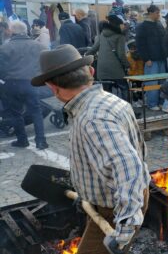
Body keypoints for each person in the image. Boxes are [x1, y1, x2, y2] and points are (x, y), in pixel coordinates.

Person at [31, 44, 150, 253]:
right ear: (91, 72)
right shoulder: (111, 101)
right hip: (107, 204)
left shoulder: (93, 118)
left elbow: (128, 169)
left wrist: (125, 228)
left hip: (115, 210)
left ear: (52, 86)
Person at [0, 21, 48, 149]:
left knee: (16, 113)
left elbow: (1, 68)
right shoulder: (39, 46)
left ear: (12, 31)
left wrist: (5, 79)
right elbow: (45, 64)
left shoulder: (4, 48)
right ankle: (41, 141)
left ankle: (22, 140)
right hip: (32, 83)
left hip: (12, 84)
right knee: (36, 111)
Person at [86, 15, 129, 101]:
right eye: (121, 24)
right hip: (116, 68)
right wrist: (127, 65)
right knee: (124, 88)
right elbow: (121, 54)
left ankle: (108, 110)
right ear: (118, 25)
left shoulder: (102, 34)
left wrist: (85, 55)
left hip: (102, 68)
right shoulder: (120, 36)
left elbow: (94, 48)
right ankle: (128, 108)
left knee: (106, 92)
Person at [135, 5, 167, 111]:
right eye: (157, 13)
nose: (159, 15)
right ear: (151, 13)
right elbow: (140, 44)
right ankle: (152, 103)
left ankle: (161, 102)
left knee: (162, 82)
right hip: (151, 59)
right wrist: (146, 58)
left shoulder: (159, 24)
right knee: (152, 82)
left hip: (162, 58)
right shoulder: (142, 26)